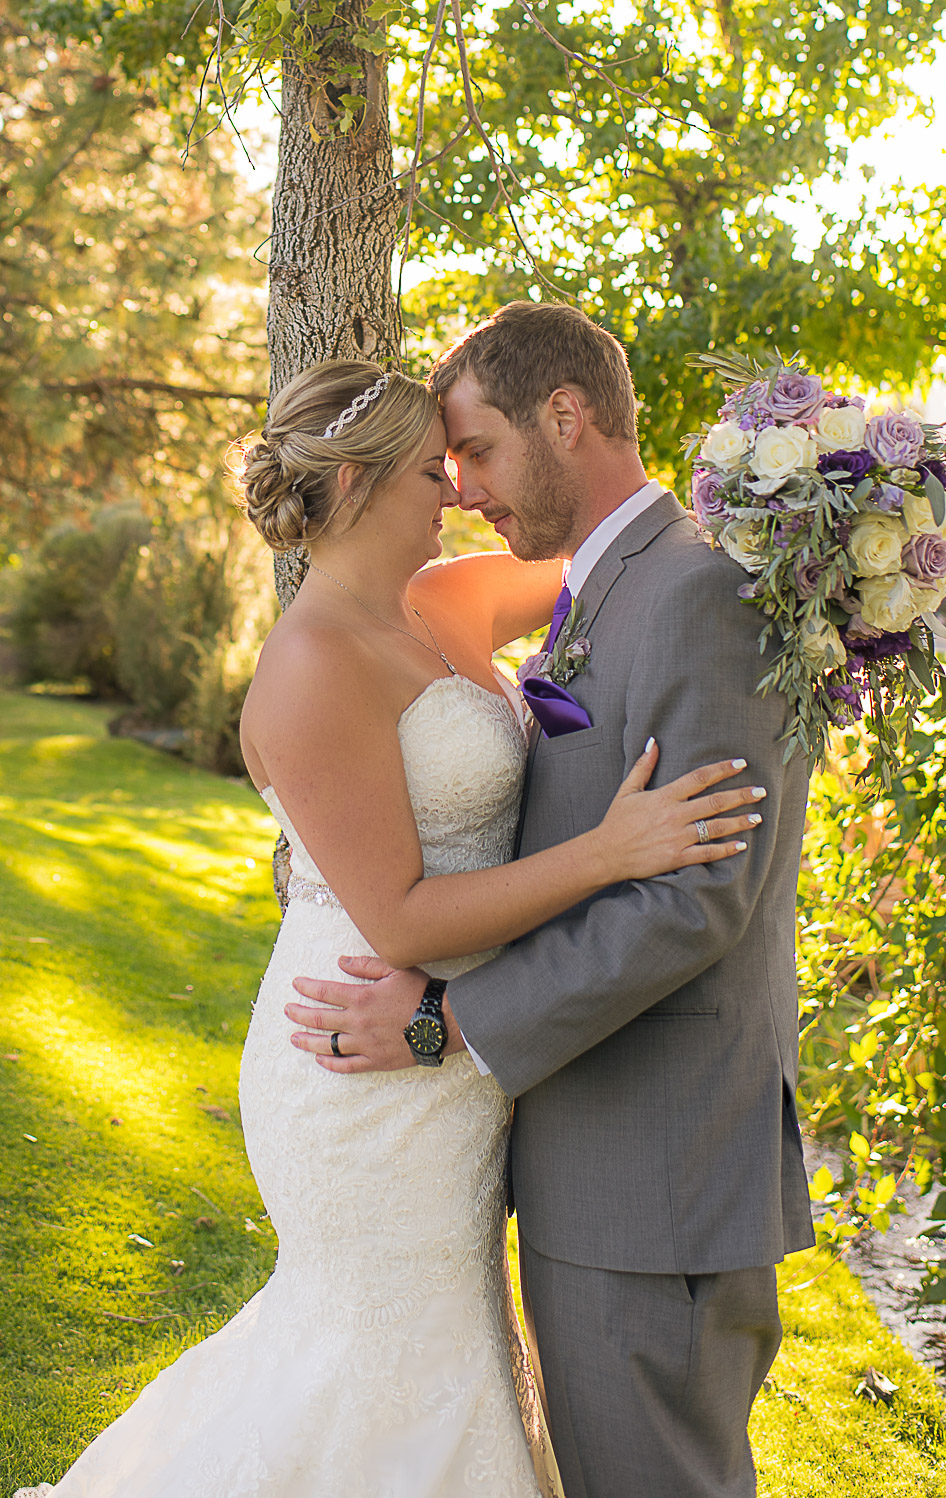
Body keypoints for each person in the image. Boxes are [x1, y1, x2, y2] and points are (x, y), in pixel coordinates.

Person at [14, 356, 764, 1498]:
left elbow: (621, 563)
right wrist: (609, 853)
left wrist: (799, 512)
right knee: (381, 1348)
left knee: (448, 1340)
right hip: (367, 1046)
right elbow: (400, 915)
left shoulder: (448, 597)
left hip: (461, 1062)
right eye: (433, 470)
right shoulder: (308, 665)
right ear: (358, 487)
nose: (458, 491)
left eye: (463, 466)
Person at [286, 303, 816, 1498]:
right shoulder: (604, 581)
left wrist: (448, 1023)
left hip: (656, 1177)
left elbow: (691, 904)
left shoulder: (692, 596)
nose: (460, 482)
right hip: (596, 1164)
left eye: (472, 449)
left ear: (564, 418)